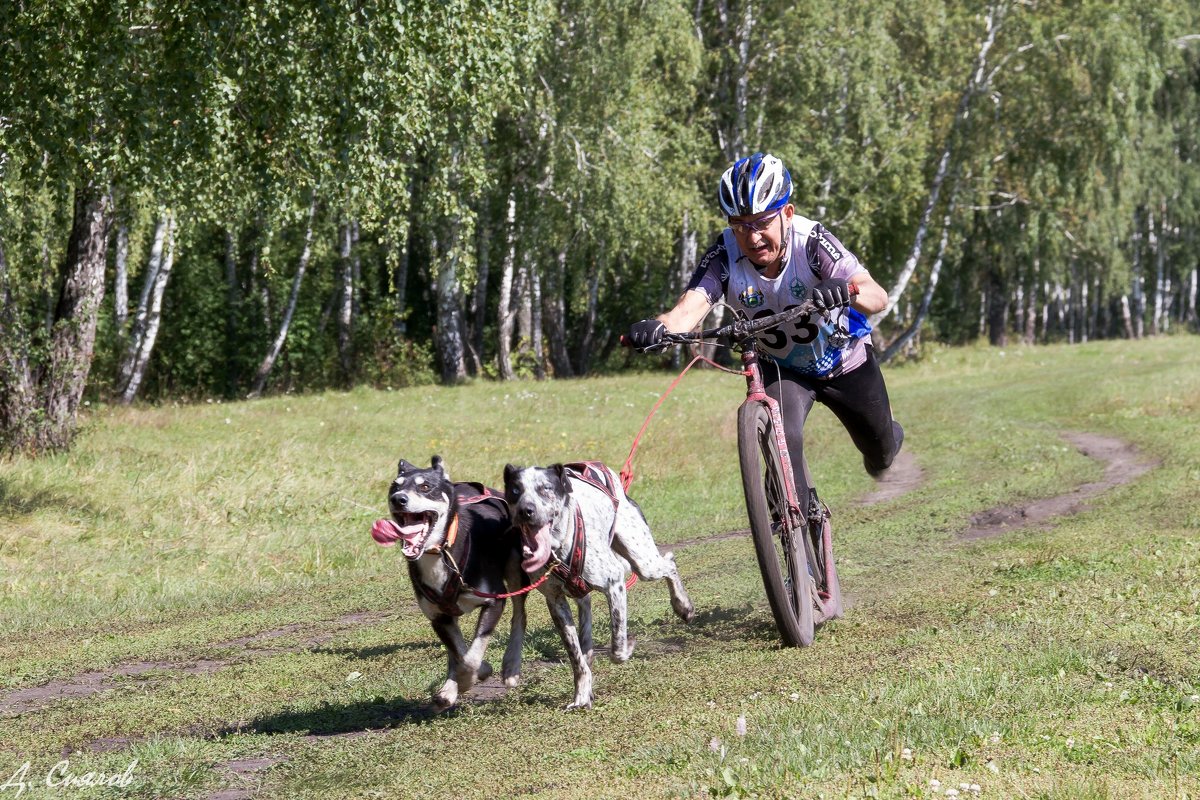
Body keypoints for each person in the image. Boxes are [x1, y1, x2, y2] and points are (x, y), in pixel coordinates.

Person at [627, 152, 903, 509]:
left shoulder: (812, 242)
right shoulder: (724, 255)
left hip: (844, 361)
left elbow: (876, 295)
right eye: (740, 224)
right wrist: (658, 328)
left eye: (761, 222)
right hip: (784, 370)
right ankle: (794, 521)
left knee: (880, 454)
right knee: (780, 436)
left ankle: (888, 438)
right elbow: (688, 310)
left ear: (787, 214)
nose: (752, 236)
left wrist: (845, 290)